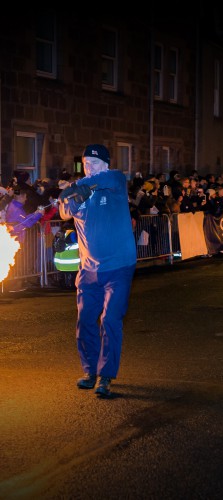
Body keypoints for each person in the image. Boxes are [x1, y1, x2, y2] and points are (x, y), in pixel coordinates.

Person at [58, 144, 137, 397]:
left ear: (105, 163)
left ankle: (106, 376)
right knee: (85, 321)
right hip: (89, 269)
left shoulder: (114, 179)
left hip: (118, 266)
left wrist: (78, 188)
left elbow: (105, 180)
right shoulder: (82, 188)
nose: (89, 167)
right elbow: (64, 211)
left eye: (93, 162)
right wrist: (72, 198)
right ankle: (90, 371)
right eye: (85, 163)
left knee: (110, 319)